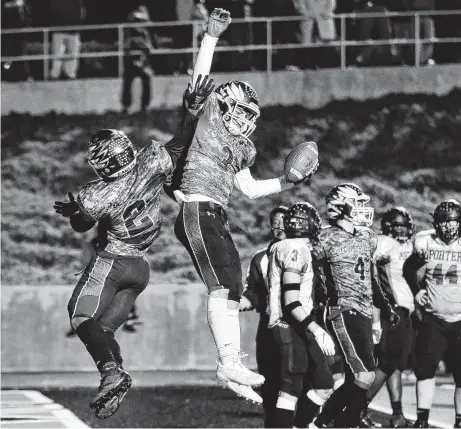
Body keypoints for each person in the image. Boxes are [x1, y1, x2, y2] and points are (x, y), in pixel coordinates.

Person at [167, 7, 319, 404]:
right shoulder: (207, 121)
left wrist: (287, 182)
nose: (246, 120)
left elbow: (250, 189)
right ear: (224, 106)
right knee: (223, 284)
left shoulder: (242, 147)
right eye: (241, 111)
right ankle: (227, 362)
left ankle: (230, 367)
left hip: (215, 213)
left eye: (251, 115)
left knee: (232, 285)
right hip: (197, 207)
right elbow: (200, 79)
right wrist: (211, 37)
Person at [53, 65, 215, 417]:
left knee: (81, 318)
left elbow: (83, 225)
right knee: (105, 330)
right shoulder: (151, 161)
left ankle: (111, 374)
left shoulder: (98, 192)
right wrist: (191, 111)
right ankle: (113, 378)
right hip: (141, 267)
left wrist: (75, 210)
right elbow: (180, 143)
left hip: (112, 263)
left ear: (102, 163)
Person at [309, 183, 400, 429]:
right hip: (342, 308)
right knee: (365, 375)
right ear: (339, 207)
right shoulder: (323, 239)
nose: (362, 209)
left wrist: (384, 305)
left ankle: (320, 423)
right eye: (357, 203)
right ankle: (343, 424)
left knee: (357, 377)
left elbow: (371, 277)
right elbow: (311, 276)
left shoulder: (367, 237)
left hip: (363, 310)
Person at [267, 202, 335, 428]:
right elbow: (291, 301)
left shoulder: (287, 246)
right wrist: (317, 330)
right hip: (289, 324)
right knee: (290, 389)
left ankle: (300, 425)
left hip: (301, 323)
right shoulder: (296, 249)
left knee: (324, 383)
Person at [403, 199, 461, 429]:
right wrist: (417, 292)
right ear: (436, 223)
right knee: (425, 370)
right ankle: (422, 419)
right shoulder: (425, 241)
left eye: (453, 221)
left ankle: (459, 421)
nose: (448, 227)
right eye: (444, 222)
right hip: (434, 318)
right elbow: (409, 268)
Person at [360, 206, 416, 428]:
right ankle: (358, 408)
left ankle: (397, 415)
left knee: (396, 364)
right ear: (389, 228)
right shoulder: (384, 241)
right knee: (388, 360)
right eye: (398, 227)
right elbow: (370, 264)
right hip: (392, 310)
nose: (403, 231)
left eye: (405, 227)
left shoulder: (406, 245)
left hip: (403, 310)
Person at [239, 205, 288, 426]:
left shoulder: (309, 251)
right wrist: (239, 303)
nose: (280, 226)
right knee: (270, 382)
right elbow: (253, 293)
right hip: (269, 327)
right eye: (275, 222)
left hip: (299, 327)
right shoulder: (260, 258)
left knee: (297, 381)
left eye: (284, 221)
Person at [121, 5, 157, 114]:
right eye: (136, 20)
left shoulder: (146, 34)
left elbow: (151, 49)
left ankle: (145, 106)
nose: (138, 24)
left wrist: (142, 62)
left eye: (141, 21)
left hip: (144, 64)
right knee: (127, 77)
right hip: (131, 63)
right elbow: (125, 49)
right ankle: (126, 106)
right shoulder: (128, 33)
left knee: (147, 76)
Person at [48, 0, 85, 79]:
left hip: (72, 30)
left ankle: (69, 74)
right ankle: (55, 75)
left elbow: (82, 11)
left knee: (72, 54)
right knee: (58, 54)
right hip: (60, 30)